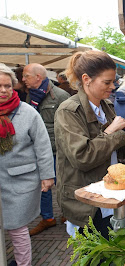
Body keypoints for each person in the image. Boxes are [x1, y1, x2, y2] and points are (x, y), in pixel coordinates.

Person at [54, 50, 125, 238]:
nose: (113, 87)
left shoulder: (105, 105)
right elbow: (82, 157)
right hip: (86, 201)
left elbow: (114, 149)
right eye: (107, 82)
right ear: (86, 79)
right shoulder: (68, 111)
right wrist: (112, 132)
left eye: (113, 81)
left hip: (108, 195)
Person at [0, 63, 55, 266]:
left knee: (17, 228)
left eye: (7, 85)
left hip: (20, 180)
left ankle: (24, 264)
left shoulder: (27, 112)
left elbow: (42, 145)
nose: (4, 90)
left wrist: (47, 176)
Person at [22, 63, 70, 236]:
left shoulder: (60, 95)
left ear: (38, 77)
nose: (22, 79)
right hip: (36, 149)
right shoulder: (30, 97)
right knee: (42, 185)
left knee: (62, 183)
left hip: (57, 150)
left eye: (26, 75)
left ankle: (67, 214)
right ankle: (47, 218)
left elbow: (69, 125)